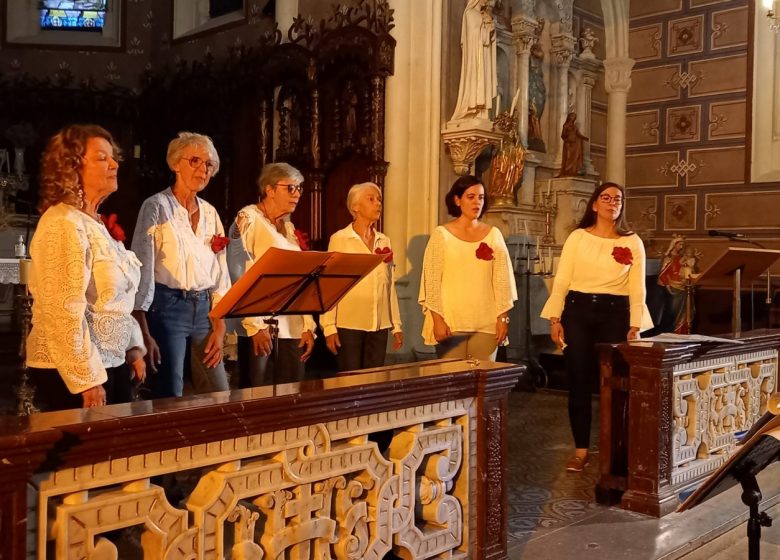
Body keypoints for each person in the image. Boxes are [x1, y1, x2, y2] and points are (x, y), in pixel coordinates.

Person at [26, 124, 146, 411]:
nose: (114, 164)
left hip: (110, 361)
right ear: (72, 167)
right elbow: (62, 310)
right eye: (102, 158)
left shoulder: (96, 225)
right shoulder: (63, 223)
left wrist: (132, 346)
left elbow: (115, 300)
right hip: (71, 371)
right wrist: (87, 380)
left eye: (113, 157)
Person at [540, 182, 653, 472]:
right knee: (579, 379)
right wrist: (556, 318)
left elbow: (637, 289)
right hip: (577, 311)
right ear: (594, 204)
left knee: (614, 383)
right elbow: (562, 280)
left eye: (617, 198)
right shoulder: (578, 238)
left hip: (615, 313)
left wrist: (635, 325)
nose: (612, 203)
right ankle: (580, 450)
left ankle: (615, 448)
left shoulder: (632, 241)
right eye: (605, 198)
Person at [131, 132, 230, 399]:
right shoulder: (155, 206)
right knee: (169, 391)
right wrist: (141, 326)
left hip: (205, 311)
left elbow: (221, 274)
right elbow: (142, 267)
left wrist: (219, 329)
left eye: (208, 164)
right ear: (176, 163)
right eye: (195, 161)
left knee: (219, 391)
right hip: (167, 308)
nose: (202, 169)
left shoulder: (210, 213)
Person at [226, 162, 316, 386]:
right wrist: (255, 325)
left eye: (299, 189)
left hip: (291, 325)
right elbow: (237, 271)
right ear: (270, 189)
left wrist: (307, 325)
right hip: (260, 323)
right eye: (290, 188)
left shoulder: (289, 228)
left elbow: (301, 277)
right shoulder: (248, 218)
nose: (296, 194)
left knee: (292, 391)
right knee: (258, 394)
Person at [419, 175, 517, 360]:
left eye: (480, 197)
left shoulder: (493, 235)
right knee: (453, 382)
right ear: (457, 200)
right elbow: (431, 282)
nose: (476, 202)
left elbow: (502, 281)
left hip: (486, 324)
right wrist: (437, 320)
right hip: (451, 322)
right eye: (470, 197)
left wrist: (502, 318)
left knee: (481, 383)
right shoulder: (441, 235)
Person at [319, 182, 403, 372]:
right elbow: (330, 285)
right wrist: (329, 327)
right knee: (350, 381)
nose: (378, 204)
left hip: (379, 324)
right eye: (371, 199)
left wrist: (396, 324)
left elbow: (389, 285)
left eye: (379, 199)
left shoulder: (384, 240)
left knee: (374, 381)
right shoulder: (340, 239)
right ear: (355, 207)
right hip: (350, 323)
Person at [451, 0, 497, 121]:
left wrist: (491, 29)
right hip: (474, 56)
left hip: (484, 56)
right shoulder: (470, 14)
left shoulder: (484, 15)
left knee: (483, 77)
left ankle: (481, 111)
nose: (486, 1)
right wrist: (487, 30)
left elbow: (487, 38)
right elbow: (473, 37)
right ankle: (471, 106)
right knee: (475, 79)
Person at [557, 112, 588, 177]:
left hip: (575, 144)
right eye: (572, 116)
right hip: (568, 144)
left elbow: (578, 134)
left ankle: (573, 171)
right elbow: (563, 135)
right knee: (568, 158)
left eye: (574, 117)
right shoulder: (565, 126)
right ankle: (567, 171)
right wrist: (567, 140)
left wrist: (586, 138)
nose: (573, 118)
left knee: (575, 157)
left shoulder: (575, 127)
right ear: (569, 117)